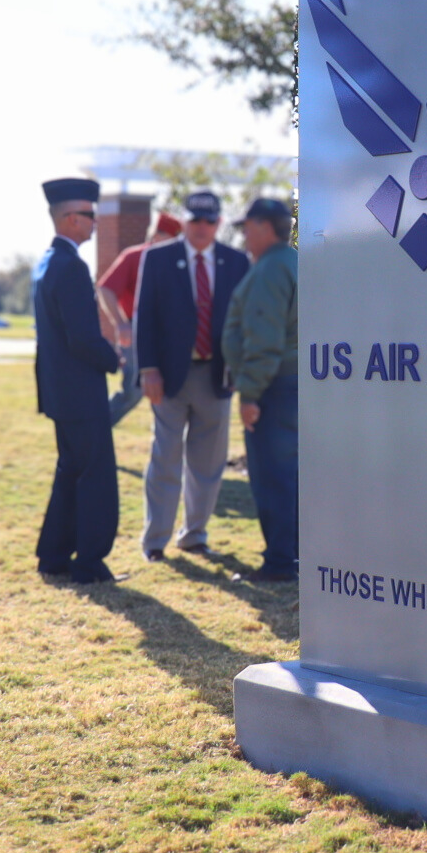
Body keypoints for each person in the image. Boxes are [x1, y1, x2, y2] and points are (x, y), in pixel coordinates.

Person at [133, 191, 247, 559]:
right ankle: (155, 542)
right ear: (183, 221)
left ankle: (194, 535)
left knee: (208, 464)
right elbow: (144, 316)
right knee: (165, 458)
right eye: (195, 220)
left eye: (209, 221)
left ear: (220, 224)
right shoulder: (158, 258)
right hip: (168, 377)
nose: (201, 227)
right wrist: (147, 369)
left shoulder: (236, 262)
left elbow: (243, 321)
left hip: (216, 376)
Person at [32, 177, 121, 583]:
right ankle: (88, 562)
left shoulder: (47, 263)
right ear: (69, 219)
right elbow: (82, 337)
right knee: (95, 477)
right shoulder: (71, 266)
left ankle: (53, 555)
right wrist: (113, 358)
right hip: (81, 393)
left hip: (58, 392)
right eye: (89, 215)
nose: (95, 222)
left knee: (70, 470)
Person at [221, 196, 297, 582]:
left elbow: (264, 340)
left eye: (247, 227)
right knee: (292, 475)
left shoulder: (270, 270)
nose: (243, 235)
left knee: (273, 477)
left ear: (265, 227)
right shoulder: (294, 262)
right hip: (293, 385)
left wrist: (250, 394)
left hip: (274, 388)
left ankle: (281, 563)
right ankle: (293, 555)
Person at [98, 211, 182, 425]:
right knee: (132, 392)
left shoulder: (178, 262)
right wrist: (121, 324)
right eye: (173, 237)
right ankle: (94, 433)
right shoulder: (134, 256)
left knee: (173, 393)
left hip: (169, 336)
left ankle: (169, 453)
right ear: (158, 234)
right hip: (137, 333)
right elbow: (105, 289)